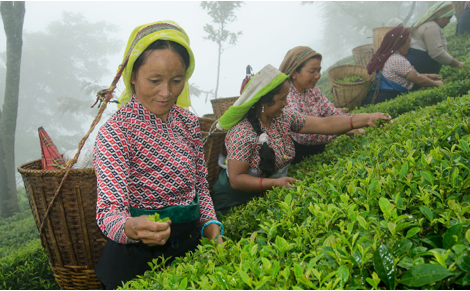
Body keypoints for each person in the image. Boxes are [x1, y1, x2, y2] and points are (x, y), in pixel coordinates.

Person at [93, 21, 223, 290]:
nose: (167, 93)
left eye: (176, 81)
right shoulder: (116, 133)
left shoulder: (187, 122)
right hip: (136, 260)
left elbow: (200, 186)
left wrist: (210, 225)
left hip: (188, 247)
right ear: (133, 76)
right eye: (155, 81)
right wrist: (132, 227)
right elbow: (108, 213)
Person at [211, 64, 391, 216]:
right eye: (282, 99)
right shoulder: (242, 133)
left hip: (265, 192)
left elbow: (324, 124)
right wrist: (274, 183)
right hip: (234, 201)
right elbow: (237, 179)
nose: (287, 103)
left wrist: (365, 118)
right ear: (264, 102)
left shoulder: (283, 117)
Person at [279, 46, 364, 165]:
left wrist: (363, 118)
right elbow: (303, 136)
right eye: (312, 71)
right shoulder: (286, 98)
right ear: (294, 73)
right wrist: (342, 129)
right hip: (299, 157)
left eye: (318, 71)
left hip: (318, 151)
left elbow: (334, 113)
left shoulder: (314, 92)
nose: (318, 76)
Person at [362, 25, 444, 106]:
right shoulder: (397, 60)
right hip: (385, 98)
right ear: (401, 44)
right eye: (408, 42)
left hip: (380, 97)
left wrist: (429, 75)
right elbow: (418, 80)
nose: (409, 45)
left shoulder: (389, 56)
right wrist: (436, 83)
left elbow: (407, 75)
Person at [404, 1, 465, 75]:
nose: (448, 22)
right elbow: (437, 53)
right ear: (442, 17)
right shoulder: (431, 27)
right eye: (448, 18)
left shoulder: (428, 25)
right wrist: (457, 63)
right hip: (420, 66)